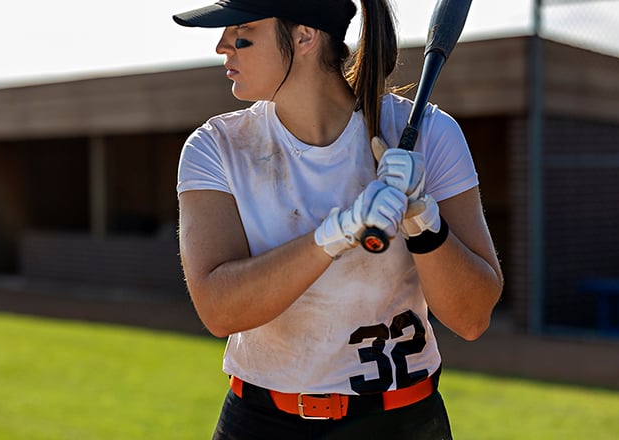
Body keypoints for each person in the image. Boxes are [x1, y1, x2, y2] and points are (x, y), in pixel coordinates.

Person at [173, 0, 503, 438]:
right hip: (261, 421)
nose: (221, 46)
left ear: (304, 36)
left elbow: (472, 317)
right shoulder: (216, 147)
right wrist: (336, 233)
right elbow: (219, 310)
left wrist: (423, 219)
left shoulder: (428, 133)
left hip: (399, 421)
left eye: (241, 30)